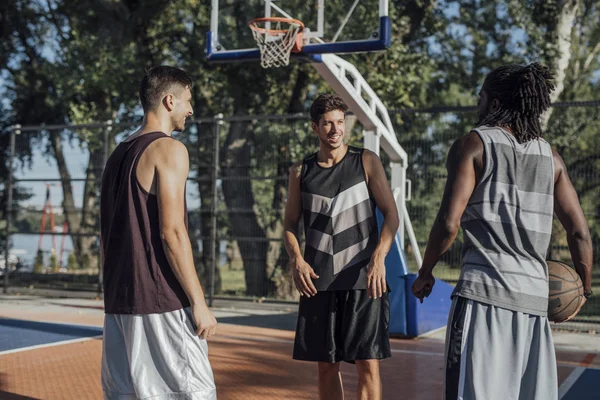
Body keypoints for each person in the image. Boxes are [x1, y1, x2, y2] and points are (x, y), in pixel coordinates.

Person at [411, 63, 593, 400]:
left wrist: (425, 271)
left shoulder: (474, 144)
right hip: (535, 303)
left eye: (480, 98)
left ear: (494, 104)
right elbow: (580, 232)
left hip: (483, 297)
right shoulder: (551, 158)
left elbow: (449, 223)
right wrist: (583, 288)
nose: (477, 106)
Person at [100, 66, 217, 400]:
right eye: (187, 101)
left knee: (129, 394)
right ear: (169, 101)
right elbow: (172, 233)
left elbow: (107, 232)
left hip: (119, 300)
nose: (190, 110)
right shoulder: (169, 150)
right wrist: (199, 302)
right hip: (160, 297)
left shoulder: (117, 153)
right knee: (196, 392)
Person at [283, 93, 399, 400]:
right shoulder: (301, 171)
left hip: (364, 281)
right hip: (319, 282)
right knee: (326, 367)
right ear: (315, 128)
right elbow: (289, 225)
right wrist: (297, 259)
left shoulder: (366, 161)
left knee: (368, 365)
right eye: (327, 124)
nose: (335, 130)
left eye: (339, 122)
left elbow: (391, 215)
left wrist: (378, 259)